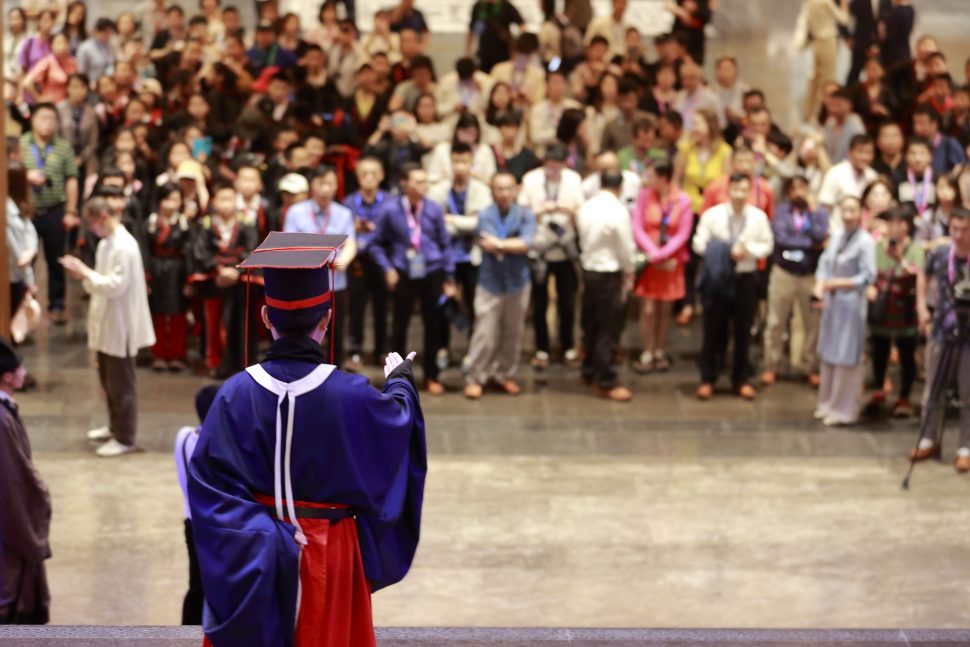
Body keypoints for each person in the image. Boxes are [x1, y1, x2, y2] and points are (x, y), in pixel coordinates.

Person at [189, 232, 427, 647]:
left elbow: (208, 488)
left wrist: (263, 534)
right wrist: (400, 383)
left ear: (266, 317)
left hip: (255, 562)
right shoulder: (351, 395)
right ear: (328, 318)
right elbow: (396, 427)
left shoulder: (234, 394)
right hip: (330, 554)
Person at [60, 197, 155, 457]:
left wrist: (85, 272)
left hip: (121, 323)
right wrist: (84, 275)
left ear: (103, 217)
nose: (91, 229)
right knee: (108, 382)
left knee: (122, 385)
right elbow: (99, 282)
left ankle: (125, 437)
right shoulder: (106, 244)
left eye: (91, 223)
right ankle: (115, 426)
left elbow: (115, 286)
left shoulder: (125, 246)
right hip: (106, 320)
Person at [370, 164, 457, 395]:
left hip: (432, 271)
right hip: (403, 272)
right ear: (404, 184)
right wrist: (388, 268)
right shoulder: (390, 210)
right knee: (399, 327)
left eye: (425, 181)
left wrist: (449, 276)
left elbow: (445, 244)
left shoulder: (433, 208)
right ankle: (396, 378)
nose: (423, 186)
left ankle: (432, 375)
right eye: (418, 181)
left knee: (433, 325)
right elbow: (375, 243)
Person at [693, 173, 774, 401]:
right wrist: (723, 251)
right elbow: (698, 243)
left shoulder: (758, 217)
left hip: (745, 278)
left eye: (744, 190)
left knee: (743, 332)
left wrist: (748, 252)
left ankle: (741, 379)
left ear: (749, 192)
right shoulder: (712, 215)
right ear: (728, 190)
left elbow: (767, 245)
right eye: (736, 189)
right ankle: (708, 378)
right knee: (712, 329)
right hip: (718, 278)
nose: (739, 195)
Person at [463, 172, 535, 399]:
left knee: (513, 333)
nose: (504, 193)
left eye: (508, 188)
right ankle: (475, 376)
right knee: (484, 334)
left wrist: (501, 244)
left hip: (518, 283)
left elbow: (526, 244)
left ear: (516, 190)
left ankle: (504, 374)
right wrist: (510, 244)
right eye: (499, 189)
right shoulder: (486, 215)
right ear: (492, 192)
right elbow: (488, 243)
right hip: (490, 283)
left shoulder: (526, 214)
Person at [912, 207, 970, 472]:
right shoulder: (940, 253)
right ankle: (928, 438)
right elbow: (922, 275)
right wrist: (922, 307)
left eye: (965, 230)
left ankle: (965, 446)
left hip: (968, 333)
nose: (959, 235)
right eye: (954, 229)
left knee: (967, 391)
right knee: (933, 387)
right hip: (941, 327)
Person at [283, 166, 358, 368]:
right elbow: (290, 244)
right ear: (312, 185)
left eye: (330, 183)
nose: (325, 189)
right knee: (304, 330)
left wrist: (343, 261)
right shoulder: (296, 212)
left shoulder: (343, 213)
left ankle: (335, 371)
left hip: (335, 283)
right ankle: (303, 370)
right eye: (321, 183)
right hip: (305, 283)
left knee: (336, 332)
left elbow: (351, 243)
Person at [518, 142, 584, 368]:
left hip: (565, 247)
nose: (553, 171)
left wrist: (568, 209)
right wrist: (540, 210)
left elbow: (581, 211)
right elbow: (522, 212)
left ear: (565, 164)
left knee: (568, 302)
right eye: (549, 166)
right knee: (540, 302)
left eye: (558, 167)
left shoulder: (573, 179)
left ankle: (568, 346)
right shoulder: (531, 179)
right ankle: (542, 348)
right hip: (540, 246)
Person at [814, 195, 877, 426]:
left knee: (846, 356)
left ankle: (844, 409)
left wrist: (838, 283)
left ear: (860, 213)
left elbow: (868, 276)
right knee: (829, 352)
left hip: (851, 304)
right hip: (832, 304)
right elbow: (824, 263)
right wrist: (820, 285)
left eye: (853, 211)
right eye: (845, 210)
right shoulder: (837, 236)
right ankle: (827, 403)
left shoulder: (866, 241)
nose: (848, 215)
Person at [761, 175, 829, 387]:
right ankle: (771, 365)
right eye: (794, 188)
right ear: (788, 192)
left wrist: (812, 213)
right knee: (775, 322)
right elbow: (781, 239)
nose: (798, 192)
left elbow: (820, 235)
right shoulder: (782, 211)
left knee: (812, 324)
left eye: (803, 188)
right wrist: (810, 244)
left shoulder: (818, 212)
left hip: (810, 274)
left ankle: (809, 366)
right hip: (784, 272)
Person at [427, 142, 492, 366]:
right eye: (456, 161)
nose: (460, 167)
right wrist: (466, 222)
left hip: (472, 258)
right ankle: (443, 348)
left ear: (471, 163)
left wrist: (452, 220)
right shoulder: (438, 190)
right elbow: (436, 225)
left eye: (464, 162)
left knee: (475, 306)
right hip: (446, 258)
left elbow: (480, 224)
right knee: (443, 305)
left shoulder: (482, 190)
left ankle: (473, 352)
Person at [0, 338, 50, 625]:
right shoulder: (2, 420)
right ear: (7, 377)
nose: (25, 372)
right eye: (20, 368)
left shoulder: (6, 410)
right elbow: (13, 479)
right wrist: (40, 497)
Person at [187, 184, 260, 378]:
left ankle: (244, 365)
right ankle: (215, 363)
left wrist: (236, 270)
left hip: (240, 281)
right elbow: (200, 251)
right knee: (213, 323)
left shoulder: (247, 222)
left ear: (236, 201)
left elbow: (252, 248)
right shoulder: (206, 224)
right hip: (214, 282)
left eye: (230, 199)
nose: (226, 204)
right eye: (222, 199)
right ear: (214, 202)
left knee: (242, 323)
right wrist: (218, 269)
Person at [577, 170, 636, 401]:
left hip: (588, 269)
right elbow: (625, 246)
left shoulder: (586, 207)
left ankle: (589, 371)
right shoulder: (618, 210)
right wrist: (629, 268)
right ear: (619, 188)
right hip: (609, 272)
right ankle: (605, 381)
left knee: (591, 325)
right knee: (608, 329)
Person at [632, 160, 693, 373]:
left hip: (671, 261)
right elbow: (637, 227)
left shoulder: (683, 200)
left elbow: (683, 233)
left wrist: (663, 254)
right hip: (649, 259)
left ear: (663, 178)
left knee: (665, 309)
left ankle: (659, 350)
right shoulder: (644, 196)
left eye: (650, 176)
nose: (646, 180)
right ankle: (647, 350)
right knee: (648, 309)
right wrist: (653, 253)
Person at [865, 204, 923, 417]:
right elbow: (869, 273)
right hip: (883, 306)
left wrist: (899, 258)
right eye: (891, 223)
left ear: (907, 226)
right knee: (880, 351)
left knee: (907, 353)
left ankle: (904, 397)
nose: (895, 227)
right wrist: (869, 287)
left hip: (905, 307)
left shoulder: (915, 249)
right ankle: (880, 389)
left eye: (899, 223)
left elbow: (917, 275)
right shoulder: (877, 247)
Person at [174, 384, 219, 625]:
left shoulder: (183, 437)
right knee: (212, 584)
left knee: (196, 584)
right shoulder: (218, 448)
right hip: (213, 524)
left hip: (191, 519)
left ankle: (186, 633)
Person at [343, 156, 390, 369]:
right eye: (364, 173)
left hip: (382, 259)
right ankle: (355, 350)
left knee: (382, 306)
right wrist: (354, 227)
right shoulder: (348, 203)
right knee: (356, 307)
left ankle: (382, 350)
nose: (369, 177)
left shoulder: (390, 202)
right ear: (357, 176)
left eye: (373, 173)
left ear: (382, 175)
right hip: (357, 261)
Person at [146, 182, 190, 372]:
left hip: (178, 271)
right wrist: (145, 277)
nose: (171, 204)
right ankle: (158, 354)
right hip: (156, 269)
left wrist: (189, 279)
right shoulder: (150, 222)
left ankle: (177, 355)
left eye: (175, 200)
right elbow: (145, 250)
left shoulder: (185, 223)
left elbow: (189, 252)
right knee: (157, 313)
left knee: (178, 314)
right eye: (167, 199)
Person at [799, 0, 849, 121]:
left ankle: (808, 112)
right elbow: (844, 19)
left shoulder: (809, 3)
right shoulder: (825, 2)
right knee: (827, 80)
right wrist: (843, 4)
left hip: (817, 42)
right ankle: (820, 114)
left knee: (816, 79)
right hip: (827, 41)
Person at [818, 133, 877, 233]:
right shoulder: (835, 173)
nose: (865, 157)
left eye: (868, 153)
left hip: (864, 234)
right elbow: (825, 207)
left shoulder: (873, 176)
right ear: (850, 152)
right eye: (860, 152)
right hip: (837, 232)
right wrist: (826, 234)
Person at [466, 0, 524, 74]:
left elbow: (521, 24)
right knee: (484, 76)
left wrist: (520, 44)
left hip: (503, 51)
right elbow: (472, 29)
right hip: (484, 52)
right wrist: (468, 51)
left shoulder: (506, 5)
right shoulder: (479, 6)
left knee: (502, 74)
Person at [76, 17, 115, 82]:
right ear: (97, 31)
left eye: (110, 32)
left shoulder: (110, 46)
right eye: (105, 32)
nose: (108, 35)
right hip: (92, 82)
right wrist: (88, 83)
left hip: (107, 82)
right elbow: (81, 71)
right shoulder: (85, 48)